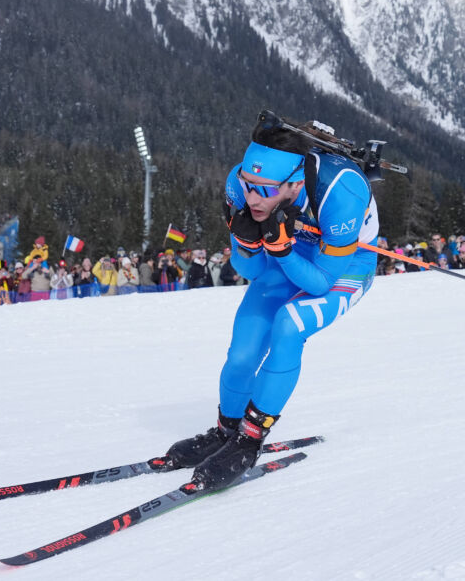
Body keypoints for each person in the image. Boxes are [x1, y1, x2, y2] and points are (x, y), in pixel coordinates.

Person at [151, 116, 378, 492]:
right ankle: (226, 430)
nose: (253, 198)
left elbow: (321, 282)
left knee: (290, 325)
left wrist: (282, 250)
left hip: (344, 266)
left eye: (265, 190)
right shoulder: (237, 184)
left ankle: (249, 439)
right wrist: (248, 242)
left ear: (295, 183)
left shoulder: (343, 191)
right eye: (249, 186)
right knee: (243, 353)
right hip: (287, 251)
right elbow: (252, 270)